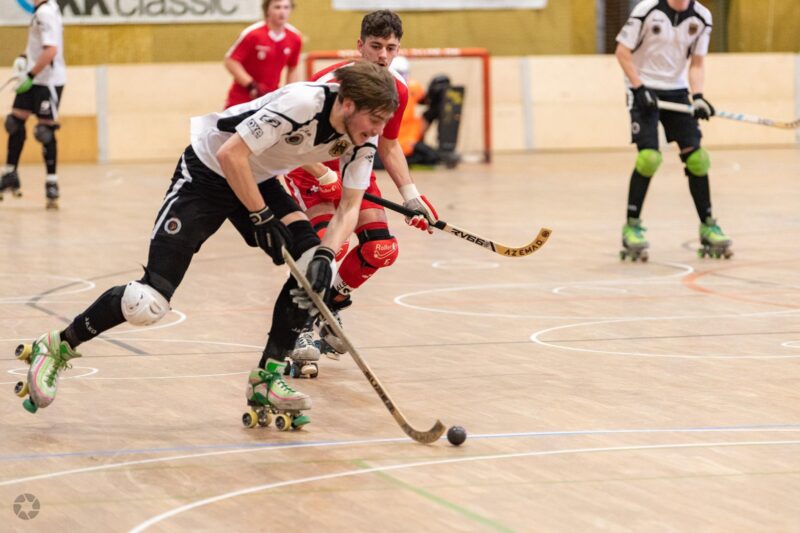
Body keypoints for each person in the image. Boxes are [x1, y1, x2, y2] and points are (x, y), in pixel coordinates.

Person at [15, 61, 399, 432]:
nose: (377, 131)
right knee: (148, 302)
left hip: (258, 177)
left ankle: (268, 377)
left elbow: (349, 206)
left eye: (383, 122)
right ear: (348, 104)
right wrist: (261, 215)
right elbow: (231, 154)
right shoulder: (303, 104)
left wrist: (326, 255)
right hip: (208, 171)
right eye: (374, 120)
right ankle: (58, 346)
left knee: (312, 265)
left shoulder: (363, 136)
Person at [282, 10, 439, 374]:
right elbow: (291, 141)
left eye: (391, 48)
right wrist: (322, 173)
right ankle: (300, 327)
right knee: (327, 248)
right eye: (376, 46)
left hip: (357, 164)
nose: (383, 55)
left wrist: (411, 195)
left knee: (380, 249)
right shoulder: (329, 85)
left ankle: (330, 305)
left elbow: (389, 145)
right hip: (310, 167)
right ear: (360, 46)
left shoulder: (397, 90)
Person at [616, 0, 731, 261]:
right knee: (649, 158)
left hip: (677, 91)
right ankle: (631, 227)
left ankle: (708, 225)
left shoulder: (702, 17)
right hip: (643, 87)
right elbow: (622, 51)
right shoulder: (647, 10)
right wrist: (639, 87)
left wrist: (698, 96)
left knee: (697, 159)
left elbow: (697, 63)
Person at [1, 0, 66, 209]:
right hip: (35, 77)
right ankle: (10, 173)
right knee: (14, 122)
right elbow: (38, 45)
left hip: (47, 81)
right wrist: (24, 57)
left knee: (44, 130)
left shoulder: (45, 13)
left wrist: (29, 75)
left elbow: (51, 50)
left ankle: (52, 182)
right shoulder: (44, 9)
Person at [223, 0, 302, 109]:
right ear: (267, 10)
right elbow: (231, 61)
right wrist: (251, 85)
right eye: (277, 7)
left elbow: (292, 68)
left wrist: (290, 93)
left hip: (270, 99)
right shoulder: (253, 34)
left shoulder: (295, 37)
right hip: (242, 99)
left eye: (286, 7)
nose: (282, 12)